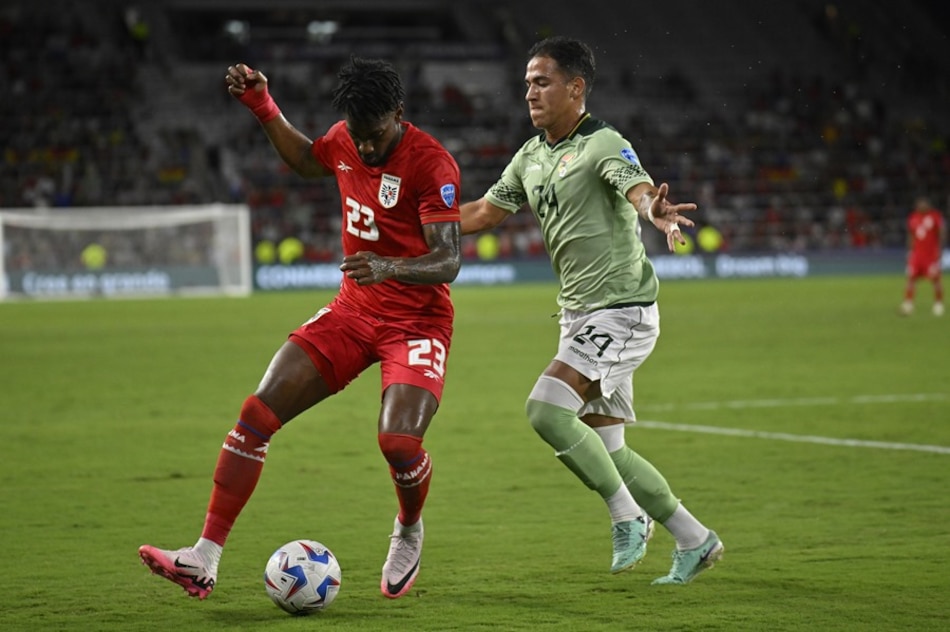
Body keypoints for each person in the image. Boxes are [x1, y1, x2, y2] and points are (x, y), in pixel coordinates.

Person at [139, 56, 462, 600]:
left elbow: (448, 260)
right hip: (353, 311)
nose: (363, 148)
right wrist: (262, 106)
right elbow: (310, 161)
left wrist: (388, 266)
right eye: (357, 136)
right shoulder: (345, 138)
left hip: (417, 322)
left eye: (375, 135)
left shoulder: (432, 164)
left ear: (399, 114)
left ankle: (408, 528)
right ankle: (204, 556)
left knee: (398, 441)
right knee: (256, 412)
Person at [460, 36, 723, 584]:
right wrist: (415, 225)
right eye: (527, 81)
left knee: (546, 410)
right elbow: (485, 212)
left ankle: (627, 517)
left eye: (542, 81)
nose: (528, 91)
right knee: (611, 451)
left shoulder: (603, 143)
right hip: (578, 317)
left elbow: (639, 189)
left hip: (622, 311)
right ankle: (696, 540)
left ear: (575, 88)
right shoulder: (531, 155)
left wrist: (659, 212)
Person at [899, 195, 945, 316]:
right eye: (919, 203)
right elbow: (910, 236)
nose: (921, 206)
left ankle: (938, 304)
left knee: (936, 280)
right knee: (910, 279)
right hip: (917, 255)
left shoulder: (935, 216)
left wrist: (940, 249)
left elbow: (942, 233)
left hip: (931, 255)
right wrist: (909, 252)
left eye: (923, 203)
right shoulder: (913, 217)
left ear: (928, 204)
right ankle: (908, 303)